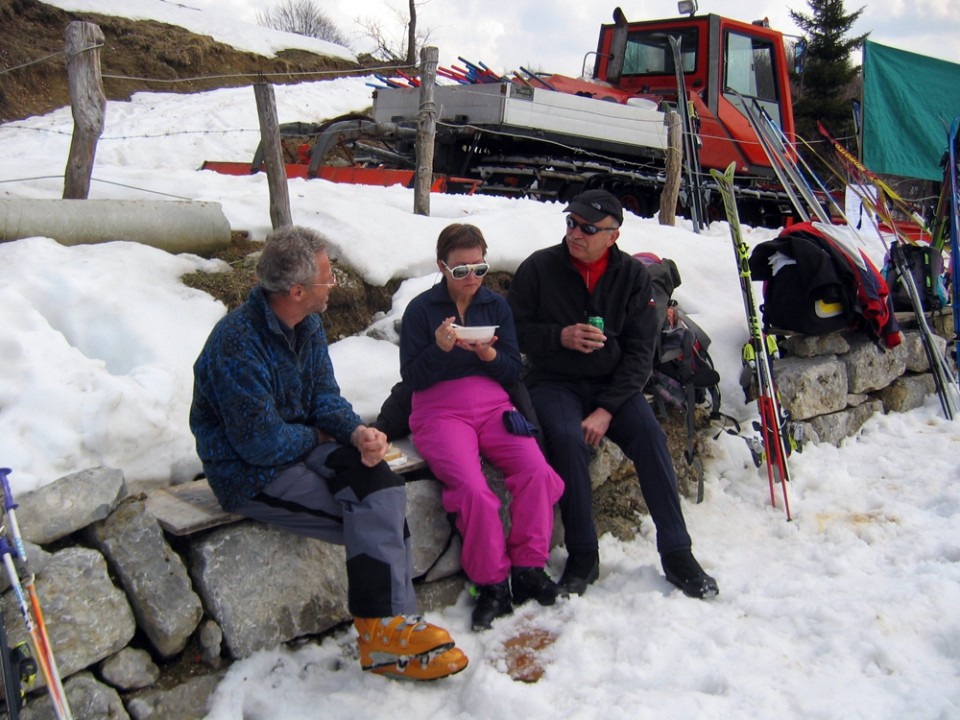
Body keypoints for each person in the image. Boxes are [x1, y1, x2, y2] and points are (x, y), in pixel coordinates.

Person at [189, 225, 468, 681]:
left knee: (382, 488)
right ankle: (385, 634)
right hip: (248, 473)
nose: (333, 285)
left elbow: (324, 397)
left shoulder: (308, 323)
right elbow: (260, 445)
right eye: (327, 278)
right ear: (297, 290)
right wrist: (321, 439)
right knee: (376, 521)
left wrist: (356, 432)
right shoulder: (236, 345)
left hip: (300, 445)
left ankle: (394, 628)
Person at [507, 190, 719, 600]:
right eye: (571, 223)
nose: (575, 233)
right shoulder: (539, 268)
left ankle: (678, 553)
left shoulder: (633, 276)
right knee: (566, 439)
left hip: (614, 385)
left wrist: (608, 408)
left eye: (587, 228)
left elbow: (643, 351)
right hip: (554, 380)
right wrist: (560, 336)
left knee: (651, 437)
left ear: (613, 235)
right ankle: (583, 554)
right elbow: (513, 329)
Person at [400, 223, 565, 631]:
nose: (471, 278)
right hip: (439, 409)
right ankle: (490, 582)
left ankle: (528, 567)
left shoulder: (495, 306)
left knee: (537, 472)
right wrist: (439, 349)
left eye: (479, 268)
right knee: (473, 490)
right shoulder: (422, 311)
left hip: (493, 404)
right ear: (442, 267)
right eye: (461, 270)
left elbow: (512, 368)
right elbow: (412, 379)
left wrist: (489, 354)